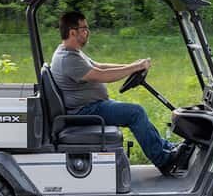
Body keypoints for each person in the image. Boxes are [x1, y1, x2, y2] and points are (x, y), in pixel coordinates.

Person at [49, 10, 185, 172]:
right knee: (135, 112)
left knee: (135, 111)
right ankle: (164, 161)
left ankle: (165, 147)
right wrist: (135, 67)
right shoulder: (67, 59)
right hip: (84, 112)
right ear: (72, 32)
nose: (88, 32)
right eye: (84, 28)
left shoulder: (72, 52)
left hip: (92, 107)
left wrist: (132, 65)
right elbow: (102, 75)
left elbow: (100, 66)